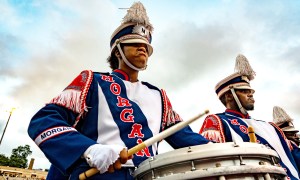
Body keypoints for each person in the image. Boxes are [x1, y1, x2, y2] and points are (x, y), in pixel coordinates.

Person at [27, 2, 210, 179]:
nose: (143, 48)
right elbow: (43, 121)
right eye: (134, 43)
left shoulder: (159, 97)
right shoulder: (91, 80)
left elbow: (187, 138)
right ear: (117, 51)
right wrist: (89, 149)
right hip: (98, 175)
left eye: (146, 45)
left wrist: (230, 149)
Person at [199, 54, 300, 180]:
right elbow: (211, 162)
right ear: (229, 96)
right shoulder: (217, 121)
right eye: (244, 91)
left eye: (250, 92)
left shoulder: (271, 127)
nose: (251, 95)